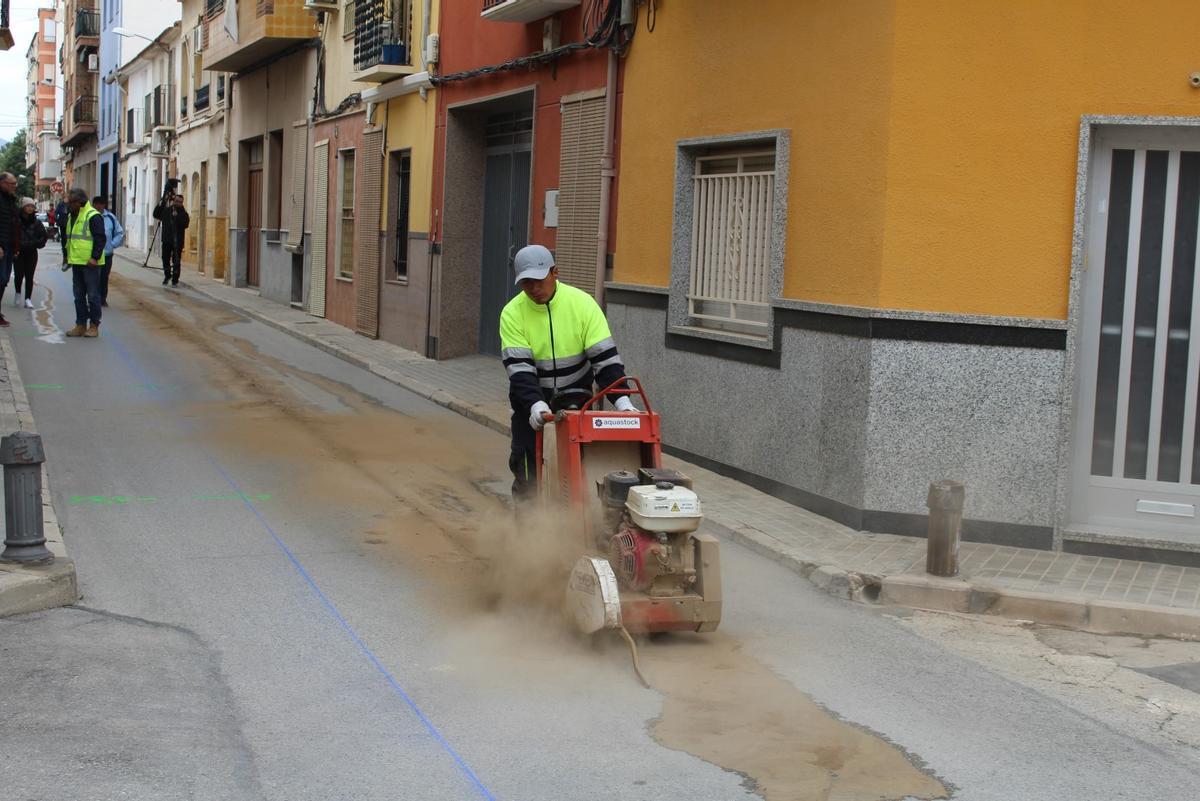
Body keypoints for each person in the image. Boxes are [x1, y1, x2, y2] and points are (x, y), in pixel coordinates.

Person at [499, 244, 636, 502]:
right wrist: (535, 405)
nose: (534, 289)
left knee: (582, 477)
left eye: (539, 281)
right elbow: (520, 371)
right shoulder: (512, 314)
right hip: (532, 410)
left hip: (578, 407)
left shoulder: (583, 305)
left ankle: (579, 529)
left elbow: (605, 361)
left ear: (555, 272)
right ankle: (526, 535)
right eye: (526, 284)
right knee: (528, 475)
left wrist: (623, 402)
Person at [60, 188, 106, 338]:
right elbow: (68, 238)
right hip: (76, 262)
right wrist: (66, 256)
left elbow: (100, 239)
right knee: (78, 296)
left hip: (90, 263)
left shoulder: (93, 216)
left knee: (93, 295)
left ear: (79, 202)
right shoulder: (71, 216)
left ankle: (94, 325)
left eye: (70, 203)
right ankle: (80, 325)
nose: (68, 206)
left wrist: (95, 257)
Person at [14, 198, 47, 309]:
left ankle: (28, 299)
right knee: (18, 275)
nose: (30, 208)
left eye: (32, 206)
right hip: (19, 252)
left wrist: (35, 243)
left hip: (31, 252)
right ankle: (18, 293)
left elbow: (43, 237)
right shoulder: (16, 220)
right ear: (23, 207)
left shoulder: (37, 222)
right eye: (28, 206)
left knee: (29, 276)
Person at [92, 196, 124, 307]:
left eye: (100, 204)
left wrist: (112, 244)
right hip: (92, 255)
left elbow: (119, 233)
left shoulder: (110, 218)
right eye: (96, 204)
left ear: (103, 205)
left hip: (106, 254)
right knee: (92, 278)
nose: (98, 207)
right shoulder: (89, 216)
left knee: (104, 277)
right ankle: (92, 298)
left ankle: (102, 298)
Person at [152, 193, 189, 287]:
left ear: (182, 203)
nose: (177, 203)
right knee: (165, 258)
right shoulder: (167, 211)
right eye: (176, 201)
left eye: (180, 202)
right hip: (167, 239)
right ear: (173, 201)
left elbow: (185, 225)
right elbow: (156, 214)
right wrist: (162, 201)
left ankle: (175, 280)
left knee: (176, 260)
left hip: (178, 241)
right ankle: (167, 275)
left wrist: (177, 217)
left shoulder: (184, 214)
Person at [0, 172, 20, 327]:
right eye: (12, 183)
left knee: (4, 280)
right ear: (3, 183)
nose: (15, 186)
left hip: (8, 247)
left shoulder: (11, 200)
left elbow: (14, 225)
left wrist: (15, 247)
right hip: (1, 247)